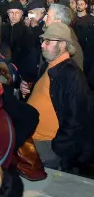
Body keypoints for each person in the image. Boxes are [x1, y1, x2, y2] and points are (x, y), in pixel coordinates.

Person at [22, 22, 94, 171]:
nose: (42, 45)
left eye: (48, 42)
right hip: (32, 139)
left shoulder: (71, 74)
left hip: (48, 146)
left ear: (62, 45)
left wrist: (58, 148)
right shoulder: (49, 67)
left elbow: (78, 119)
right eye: (43, 41)